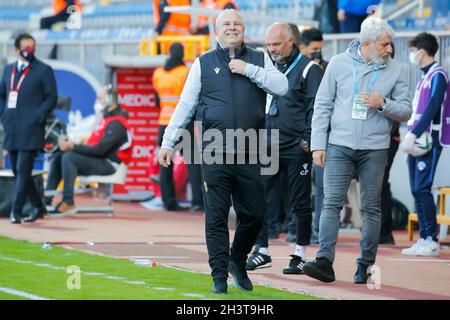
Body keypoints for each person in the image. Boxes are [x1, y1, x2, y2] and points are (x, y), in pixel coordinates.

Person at [158, 9, 288, 294]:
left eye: (237, 24)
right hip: (213, 151)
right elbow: (185, 105)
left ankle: (237, 261)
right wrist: (168, 142)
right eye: (226, 24)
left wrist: (248, 69)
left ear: (244, 29)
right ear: (216, 31)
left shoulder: (258, 58)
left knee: (254, 214)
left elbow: (282, 86)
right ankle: (219, 275)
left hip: (251, 151)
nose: (232, 28)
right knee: (216, 216)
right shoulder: (202, 63)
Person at [304, 17, 412, 284]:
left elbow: (407, 110)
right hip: (339, 145)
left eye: (390, 44)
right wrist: (318, 144)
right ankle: (324, 261)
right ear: (367, 43)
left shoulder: (397, 69)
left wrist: (382, 103)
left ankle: (365, 265)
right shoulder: (339, 63)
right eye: (385, 44)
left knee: (371, 207)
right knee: (330, 203)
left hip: (375, 149)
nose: (390, 49)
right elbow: (323, 105)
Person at [246, 23, 323, 274]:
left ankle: (300, 254)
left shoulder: (310, 69)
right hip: (268, 144)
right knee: (258, 197)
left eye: (276, 44)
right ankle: (262, 250)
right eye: (268, 45)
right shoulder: (267, 66)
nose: (271, 49)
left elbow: (316, 108)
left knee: (299, 201)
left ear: (291, 41)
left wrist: (308, 140)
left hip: (295, 146)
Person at [45, 86, 133, 214]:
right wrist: (72, 146)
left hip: (110, 165)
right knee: (60, 155)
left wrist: (74, 147)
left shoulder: (117, 123)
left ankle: (68, 201)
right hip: (100, 160)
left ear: (109, 100)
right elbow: (94, 148)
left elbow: (100, 150)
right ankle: (46, 200)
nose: (96, 102)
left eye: (99, 98)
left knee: (69, 157)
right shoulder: (107, 120)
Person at [0, 33, 57, 224]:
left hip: (32, 128)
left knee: (23, 170)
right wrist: (4, 114)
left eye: (33, 47)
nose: (30, 51)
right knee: (17, 171)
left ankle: (15, 211)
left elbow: (51, 97)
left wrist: (38, 115)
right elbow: (2, 94)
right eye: (26, 47)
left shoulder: (43, 70)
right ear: (17, 50)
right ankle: (39, 206)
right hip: (13, 126)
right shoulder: (8, 70)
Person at [401, 32, 450, 257]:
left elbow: (433, 106)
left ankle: (431, 238)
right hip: (417, 139)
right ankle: (423, 237)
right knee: (415, 189)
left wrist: (415, 133)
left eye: (412, 51)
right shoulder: (425, 76)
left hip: (429, 141)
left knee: (422, 188)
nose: (411, 55)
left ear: (421, 51)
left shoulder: (438, 75)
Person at [153, 42, 197, 211]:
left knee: (165, 162)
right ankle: (197, 202)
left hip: (164, 123)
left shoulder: (158, 73)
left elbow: (157, 101)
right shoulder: (185, 72)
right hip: (183, 123)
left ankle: (168, 201)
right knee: (193, 161)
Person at [298, 27, 329, 243]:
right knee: (298, 188)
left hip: (322, 136)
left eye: (320, 49)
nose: (318, 53)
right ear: (303, 48)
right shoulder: (296, 68)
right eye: (314, 49)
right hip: (300, 136)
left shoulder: (327, 68)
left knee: (321, 186)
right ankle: (296, 230)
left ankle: (319, 231)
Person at [379, 43, 399, 245]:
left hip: (389, 138)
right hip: (369, 139)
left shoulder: (396, 73)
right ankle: (381, 230)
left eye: (388, 46)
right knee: (376, 186)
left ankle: (385, 232)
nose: (387, 50)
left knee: (380, 184)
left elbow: (402, 108)